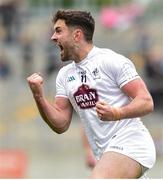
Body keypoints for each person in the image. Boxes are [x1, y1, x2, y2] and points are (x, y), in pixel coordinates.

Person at [27, 9, 156, 178]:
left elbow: (146, 101)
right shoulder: (65, 75)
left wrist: (117, 113)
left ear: (77, 35)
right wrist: (39, 96)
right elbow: (61, 124)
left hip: (131, 144)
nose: (53, 37)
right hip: (104, 154)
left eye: (58, 31)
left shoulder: (110, 61)